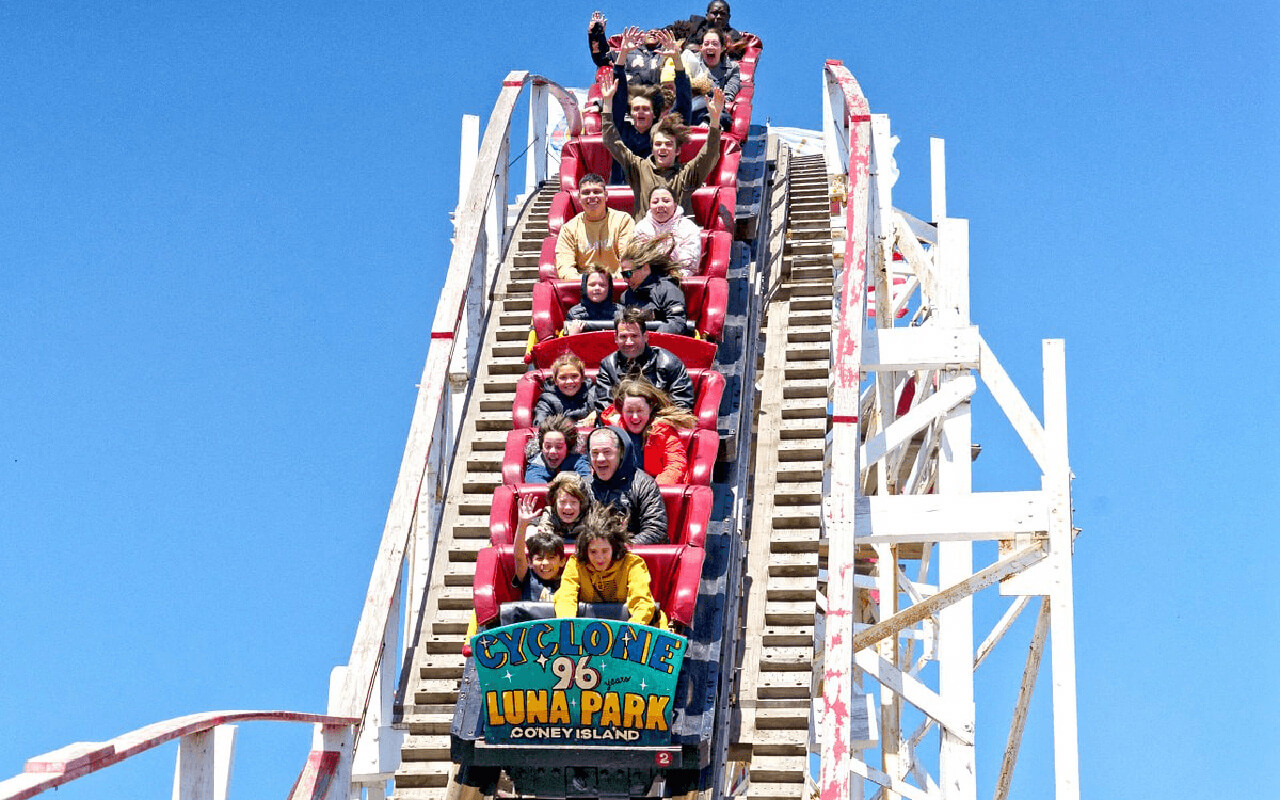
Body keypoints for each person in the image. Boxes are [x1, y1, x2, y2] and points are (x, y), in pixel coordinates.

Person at [600, 72, 725, 219]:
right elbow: (611, 140)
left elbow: (709, 154)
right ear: (652, 148)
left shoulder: (687, 173)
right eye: (658, 144)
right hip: (645, 238)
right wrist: (608, 102)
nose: (663, 148)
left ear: (677, 150)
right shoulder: (639, 168)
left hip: (677, 238)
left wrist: (715, 120)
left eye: (668, 144)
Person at [553, 504, 669, 629]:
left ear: (613, 548)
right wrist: (568, 628)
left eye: (605, 551)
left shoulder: (632, 564)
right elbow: (565, 598)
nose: (599, 558)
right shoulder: (575, 564)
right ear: (585, 551)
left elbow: (642, 603)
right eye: (593, 552)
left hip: (634, 629)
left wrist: (629, 632)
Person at [604, 29, 693, 183]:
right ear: (630, 112)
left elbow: (684, 104)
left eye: (645, 109)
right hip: (624, 195)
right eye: (636, 109)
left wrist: (677, 60)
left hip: (658, 195)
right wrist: (623, 54)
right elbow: (619, 101)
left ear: (654, 112)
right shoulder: (622, 131)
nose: (640, 113)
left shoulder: (664, 132)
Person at [592, 306, 695, 412]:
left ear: (645, 336)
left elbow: (682, 405)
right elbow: (604, 407)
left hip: (661, 423)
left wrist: (652, 424)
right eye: (623, 337)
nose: (629, 342)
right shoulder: (608, 365)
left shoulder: (669, 362)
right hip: (619, 424)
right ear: (615, 338)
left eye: (634, 336)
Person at [601, 379, 697, 485]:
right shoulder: (611, 432)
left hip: (656, 491)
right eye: (629, 411)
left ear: (650, 408)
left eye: (640, 410)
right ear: (621, 410)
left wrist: (653, 489)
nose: (635, 417)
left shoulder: (664, 431)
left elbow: (676, 465)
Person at [585, 426, 667, 544]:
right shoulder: (585, 487)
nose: (600, 458)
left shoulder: (644, 485)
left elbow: (656, 531)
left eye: (607, 452)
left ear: (621, 453)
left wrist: (616, 549)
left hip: (632, 557)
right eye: (595, 453)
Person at [554, 173, 635, 278]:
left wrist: (608, 281)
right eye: (586, 193)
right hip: (583, 287)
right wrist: (588, 282)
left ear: (606, 196)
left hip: (618, 284)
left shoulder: (623, 221)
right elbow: (565, 268)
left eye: (597, 192)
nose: (592, 196)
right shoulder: (568, 229)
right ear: (579, 198)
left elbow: (629, 262)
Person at [619, 237, 688, 335]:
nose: (625, 280)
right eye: (623, 275)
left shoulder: (668, 290)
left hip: (660, 346)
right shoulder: (626, 296)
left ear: (645, 268)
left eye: (628, 274)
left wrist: (648, 341)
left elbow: (677, 323)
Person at [511, 494, 569, 600]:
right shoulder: (528, 577)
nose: (545, 563)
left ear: (562, 561)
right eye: (539, 558)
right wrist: (522, 524)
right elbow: (519, 557)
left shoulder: (569, 582)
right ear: (530, 562)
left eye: (551, 558)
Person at [632, 187, 702, 276]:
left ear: (675, 205)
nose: (660, 205)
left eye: (666, 201)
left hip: (679, 280)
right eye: (655, 202)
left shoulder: (689, 228)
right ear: (649, 206)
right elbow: (638, 261)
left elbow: (689, 265)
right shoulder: (641, 228)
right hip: (648, 280)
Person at [686, 28, 738, 127]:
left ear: (722, 48)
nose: (710, 47)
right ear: (701, 47)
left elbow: (727, 96)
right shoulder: (691, 60)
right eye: (706, 44)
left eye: (714, 44)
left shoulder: (733, 68)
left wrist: (709, 117)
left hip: (713, 106)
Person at [523, 415, 592, 483]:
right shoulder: (535, 467)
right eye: (548, 446)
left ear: (567, 447)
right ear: (542, 446)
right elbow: (538, 487)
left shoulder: (577, 460)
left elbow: (588, 480)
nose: (552, 451)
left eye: (559, 447)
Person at [531, 353, 596, 426]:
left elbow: (608, 409)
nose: (569, 382)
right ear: (555, 381)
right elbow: (540, 425)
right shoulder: (547, 401)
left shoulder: (594, 393)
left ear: (582, 378)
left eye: (574, 376)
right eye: (563, 377)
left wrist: (597, 414)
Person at [536, 472, 594, 544]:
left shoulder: (591, 517)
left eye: (573, 502)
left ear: (581, 505)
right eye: (562, 502)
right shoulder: (549, 515)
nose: (568, 507)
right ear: (555, 503)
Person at [564, 267, 618, 336]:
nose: (597, 288)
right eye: (592, 285)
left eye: (602, 285)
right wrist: (572, 336)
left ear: (609, 288)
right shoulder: (574, 314)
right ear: (585, 288)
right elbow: (566, 345)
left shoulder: (621, 313)